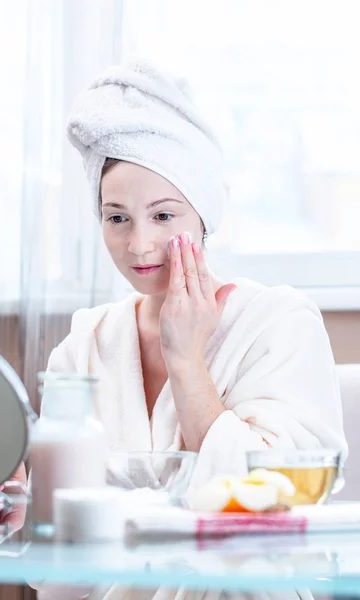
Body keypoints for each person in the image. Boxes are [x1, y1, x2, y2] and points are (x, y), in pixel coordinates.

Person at [27, 59, 350, 598]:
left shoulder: (280, 323)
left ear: (202, 215)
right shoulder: (85, 344)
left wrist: (186, 360)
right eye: (116, 217)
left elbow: (278, 506)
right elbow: (50, 548)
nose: (139, 245)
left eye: (163, 215)